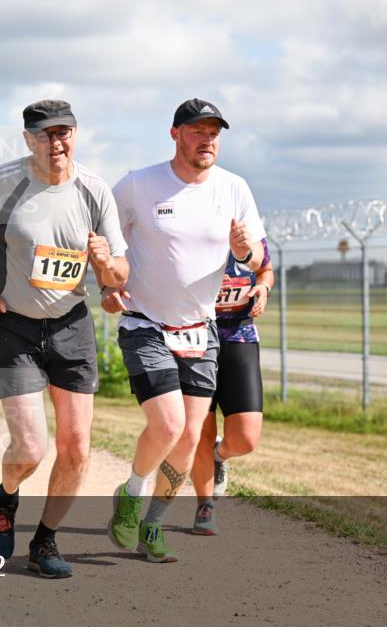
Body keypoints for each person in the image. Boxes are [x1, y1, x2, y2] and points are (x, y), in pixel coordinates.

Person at [0, 100, 128, 578]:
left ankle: (45, 540)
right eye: (45, 134)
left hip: (71, 325)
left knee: (77, 447)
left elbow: (119, 273)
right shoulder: (3, 183)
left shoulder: (94, 190)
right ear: (28, 139)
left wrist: (108, 273)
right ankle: (6, 500)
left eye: (64, 132)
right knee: (29, 450)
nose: (56, 142)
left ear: (76, 134)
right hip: (14, 327)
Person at [103, 98, 266, 563]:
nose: (207, 139)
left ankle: (153, 524)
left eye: (214, 131)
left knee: (191, 437)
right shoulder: (138, 185)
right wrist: (107, 285)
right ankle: (132, 494)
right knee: (169, 424)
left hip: (202, 327)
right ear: (175, 134)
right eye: (197, 130)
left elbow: (257, 257)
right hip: (145, 322)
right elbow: (106, 244)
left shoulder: (234, 188)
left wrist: (246, 252)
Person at [189, 240, 275, 534]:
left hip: (240, 335)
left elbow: (266, 270)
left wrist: (263, 287)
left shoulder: (251, 235)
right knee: (202, 428)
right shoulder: (193, 230)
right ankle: (204, 504)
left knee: (247, 438)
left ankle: (219, 456)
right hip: (195, 338)